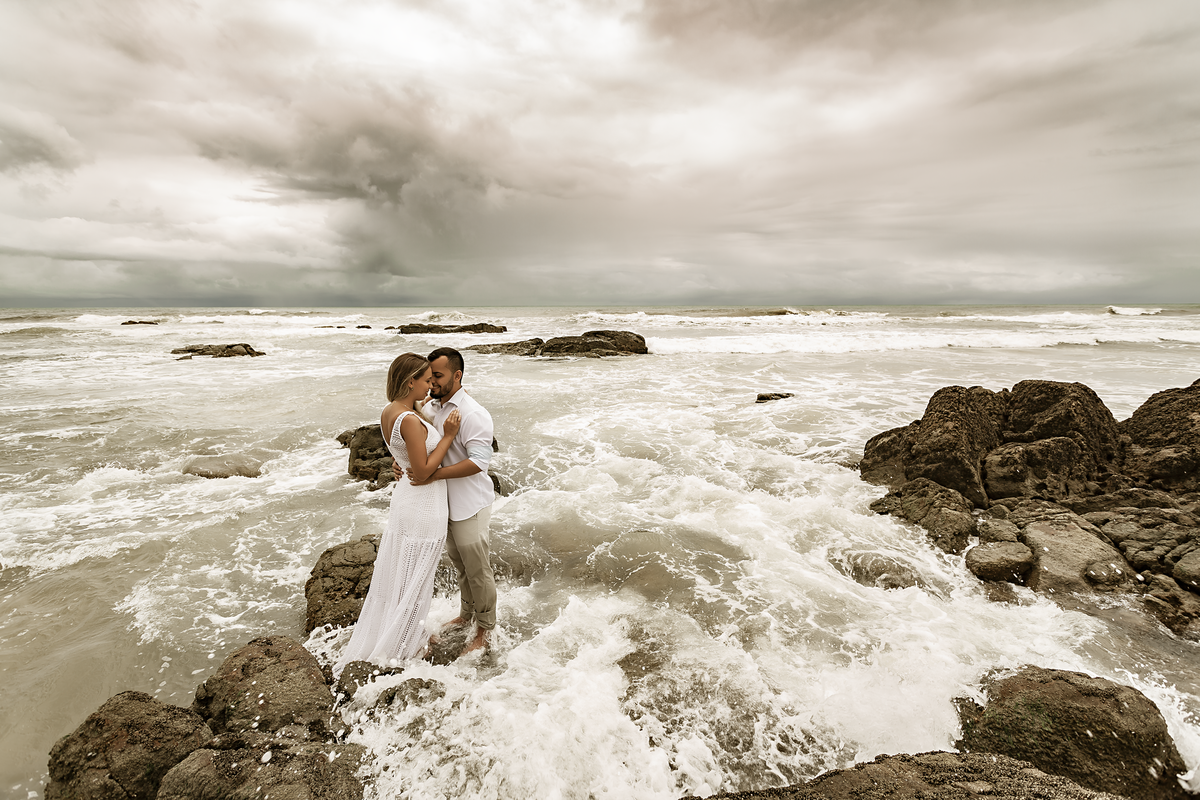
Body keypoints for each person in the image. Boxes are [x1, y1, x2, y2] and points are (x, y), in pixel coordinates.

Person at [335, 353, 461, 672]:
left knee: (403, 575)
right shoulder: (409, 419)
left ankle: (406, 632)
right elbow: (421, 472)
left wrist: (402, 461)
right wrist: (447, 436)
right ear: (410, 382)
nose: (430, 384)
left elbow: (403, 454)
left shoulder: (391, 412)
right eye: (425, 379)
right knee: (416, 577)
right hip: (423, 503)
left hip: (406, 501)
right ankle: (406, 643)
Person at [395, 347, 496, 653]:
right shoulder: (433, 408)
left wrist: (433, 476)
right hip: (443, 504)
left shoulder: (474, 414)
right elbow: (421, 446)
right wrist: (401, 461)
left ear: (457, 375)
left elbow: (480, 463)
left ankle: (485, 631)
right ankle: (466, 615)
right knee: (461, 566)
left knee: (478, 569)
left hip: (469, 504)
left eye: (437, 376)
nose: (432, 383)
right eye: (429, 377)